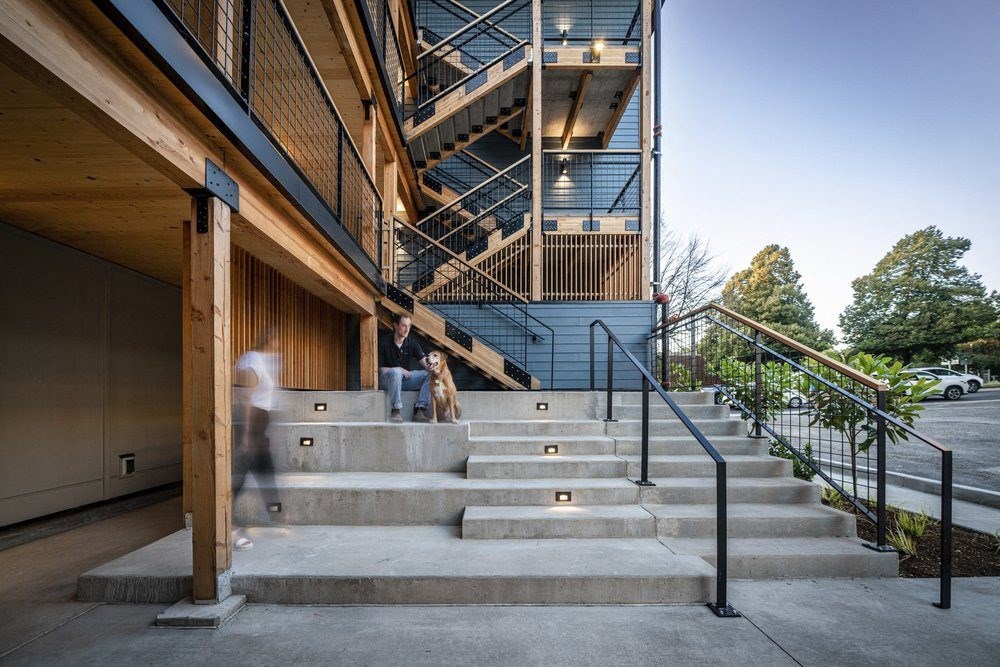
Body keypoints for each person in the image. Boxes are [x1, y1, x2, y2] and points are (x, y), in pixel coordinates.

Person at [231, 327, 282, 550]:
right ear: (269, 339)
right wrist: (246, 435)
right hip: (251, 426)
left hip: (259, 427)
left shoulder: (261, 360)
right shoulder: (252, 360)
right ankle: (227, 521)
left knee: (266, 472)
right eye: (276, 338)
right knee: (241, 477)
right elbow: (246, 399)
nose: (278, 343)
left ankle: (277, 515)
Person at [379, 313, 432, 423]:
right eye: (403, 325)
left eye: (409, 326)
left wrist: (436, 366)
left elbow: (426, 363)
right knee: (396, 372)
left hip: (405, 380)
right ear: (395, 325)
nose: (407, 329)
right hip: (387, 380)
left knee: (430, 374)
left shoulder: (412, 343)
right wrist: (399, 369)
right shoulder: (384, 342)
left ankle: (420, 409)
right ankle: (396, 410)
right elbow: (379, 369)